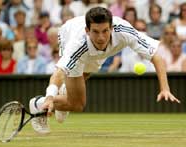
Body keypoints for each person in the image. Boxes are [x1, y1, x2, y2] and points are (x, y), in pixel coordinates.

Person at [29, 7, 181, 134]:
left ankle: (64, 94)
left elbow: (156, 56)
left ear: (112, 28)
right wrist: (49, 97)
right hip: (68, 33)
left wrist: (165, 88)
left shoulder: (124, 31)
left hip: (94, 53)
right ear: (87, 30)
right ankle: (38, 103)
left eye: (105, 31)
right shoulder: (77, 44)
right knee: (77, 104)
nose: (101, 37)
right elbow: (59, 72)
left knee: (84, 75)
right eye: (95, 32)